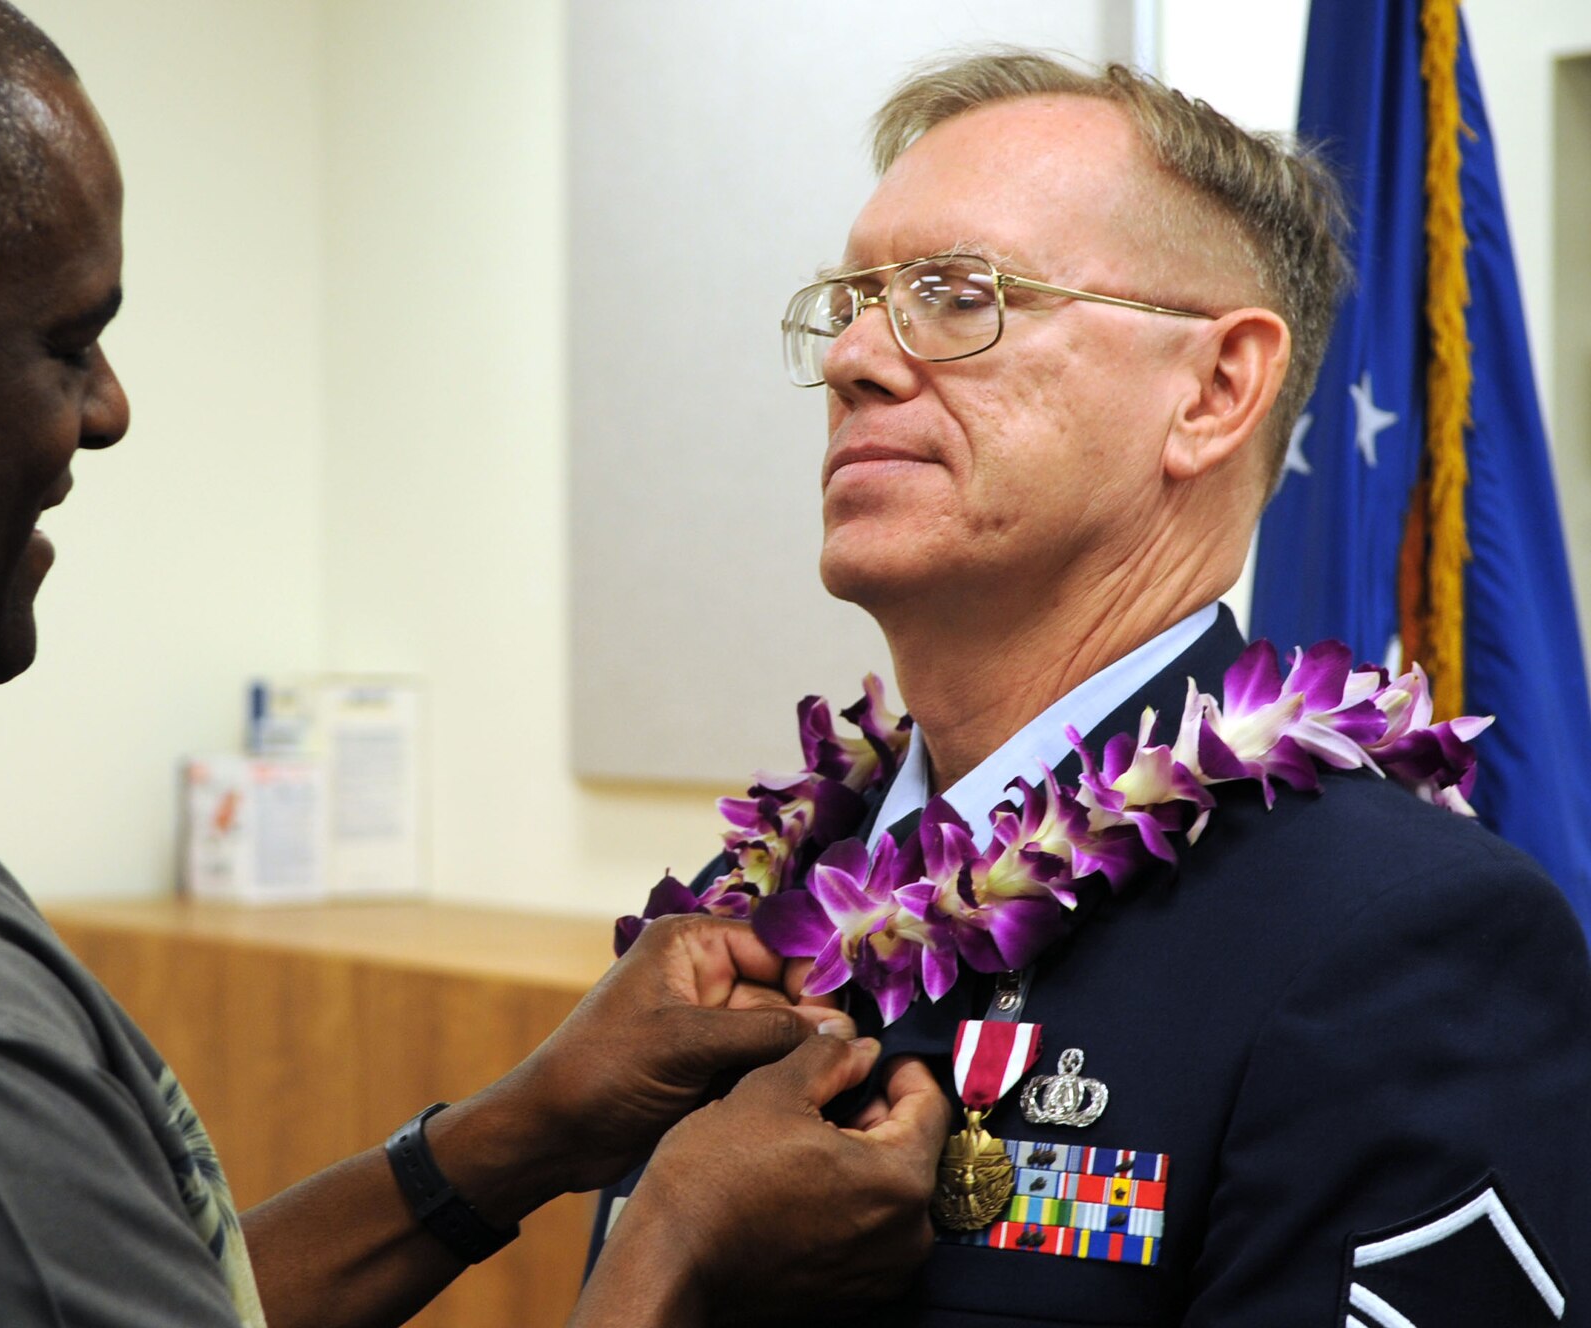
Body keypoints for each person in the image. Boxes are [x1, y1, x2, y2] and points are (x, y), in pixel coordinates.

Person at [0, 2, 952, 1325]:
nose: (109, 411)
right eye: (66, 343)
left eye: (958, 300)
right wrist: (672, 1245)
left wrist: (517, 1134)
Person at [590, 51, 1591, 1325]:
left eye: (958, 296)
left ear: (1213, 390)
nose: (850, 358)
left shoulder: (1398, 937)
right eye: (850, 302)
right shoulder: (765, 900)